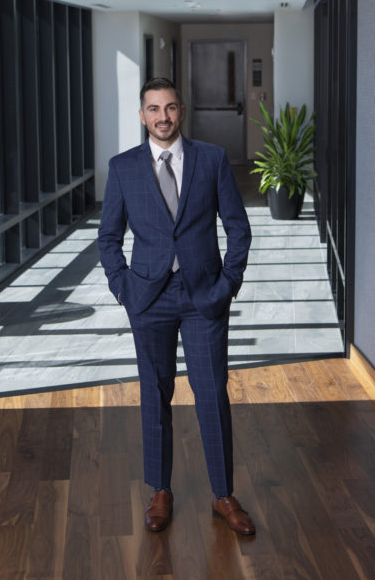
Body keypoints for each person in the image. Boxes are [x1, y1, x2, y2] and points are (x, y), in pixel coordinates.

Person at [98, 77, 254, 535]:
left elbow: (238, 227)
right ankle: (160, 490)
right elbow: (108, 237)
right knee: (155, 394)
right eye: (153, 109)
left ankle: (223, 495)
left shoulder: (212, 159)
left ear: (181, 111)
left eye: (169, 108)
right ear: (142, 115)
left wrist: (229, 282)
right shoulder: (123, 167)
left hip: (204, 294)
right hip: (147, 298)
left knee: (211, 395)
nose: (162, 116)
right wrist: (122, 287)